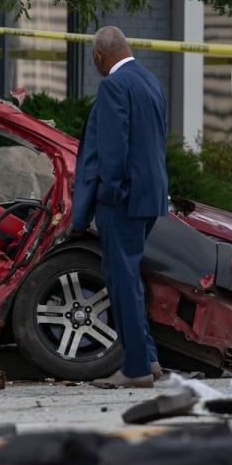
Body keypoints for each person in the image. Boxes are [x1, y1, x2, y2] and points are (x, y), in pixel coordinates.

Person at [70, 26, 168, 388]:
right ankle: (150, 358)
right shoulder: (150, 81)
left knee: (122, 281)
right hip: (150, 197)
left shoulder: (113, 86)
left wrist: (109, 194)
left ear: (99, 56)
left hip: (122, 202)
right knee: (131, 279)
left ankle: (136, 369)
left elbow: (113, 150)